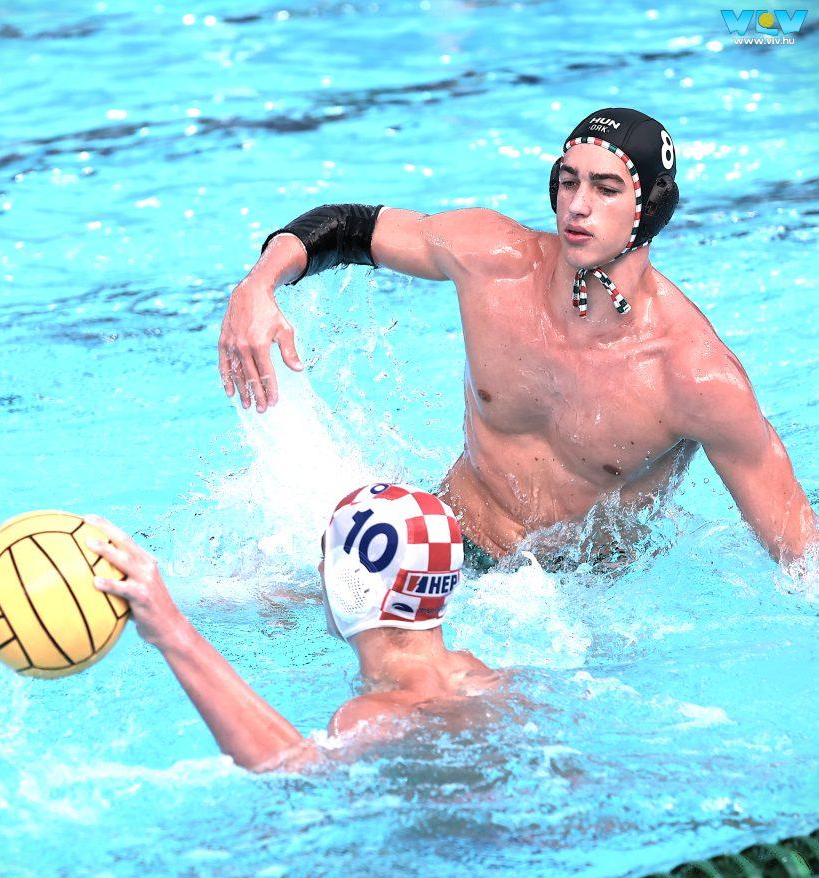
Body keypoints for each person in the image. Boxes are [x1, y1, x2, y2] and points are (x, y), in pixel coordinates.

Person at [217, 107, 816, 569]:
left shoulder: (694, 378)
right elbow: (350, 227)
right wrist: (258, 285)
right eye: (568, 182)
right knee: (243, 597)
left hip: (574, 606)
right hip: (449, 545)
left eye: (606, 189)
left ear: (651, 208)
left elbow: (800, 556)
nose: (577, 207)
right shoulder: (493, 262)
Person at [83, 483, 511, 773]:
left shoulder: (371, 716)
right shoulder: (486, 678)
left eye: (326, 556)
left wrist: (172, 631)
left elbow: (290, 769)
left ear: (349, 581)